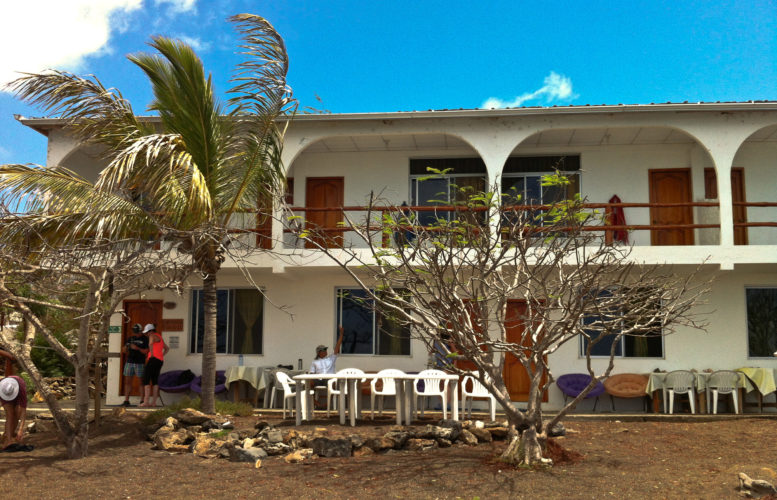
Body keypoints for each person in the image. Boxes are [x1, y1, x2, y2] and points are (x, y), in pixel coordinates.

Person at [309, 326, 345, 407]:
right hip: (318, 379)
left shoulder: (331, 358)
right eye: (324, 350)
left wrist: (341, 334)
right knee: (309, 383)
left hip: (328, 379)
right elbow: (311, 373)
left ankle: (328, 403)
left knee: (332, 383)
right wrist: (312, 377)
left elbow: (337, 347)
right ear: (319, 352)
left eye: (326, 349)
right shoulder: (314, 362)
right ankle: (315, 402)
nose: (326, 351)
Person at [0, 376, 32, 452]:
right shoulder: (1, 387)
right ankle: (8, 439)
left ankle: (7, 435)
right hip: (5, 392)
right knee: (10, 415)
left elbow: (23, 413)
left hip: (18, 390)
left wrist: (20, 430)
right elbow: (9, 416)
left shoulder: (21, 390)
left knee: (17, 414)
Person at [140, 324, 168, 408]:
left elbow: (150, 344)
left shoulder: (152, 335)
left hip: (152, 360)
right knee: (155, 381)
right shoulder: (160, 337)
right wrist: (161, 355)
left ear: (151, 331)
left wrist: (151, 354)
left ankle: (146, 402)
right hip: (160, 360)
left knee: (146, 379)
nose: (147, 334)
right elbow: (167, 348)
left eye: (147, 332)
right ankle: (154, 403)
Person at [121, 323, 148, 407]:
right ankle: (126, 400)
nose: (136, 334)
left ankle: (142, 400)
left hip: (140, 362)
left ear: (141, 331)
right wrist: (127, 347)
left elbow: (146, 351)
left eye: (137, 332)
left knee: (141, 382)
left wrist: (137, 348)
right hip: (129, 362)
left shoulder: (145, 339)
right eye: (134, 332)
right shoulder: (130, 338)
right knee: (128, 382)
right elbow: (123, 350)